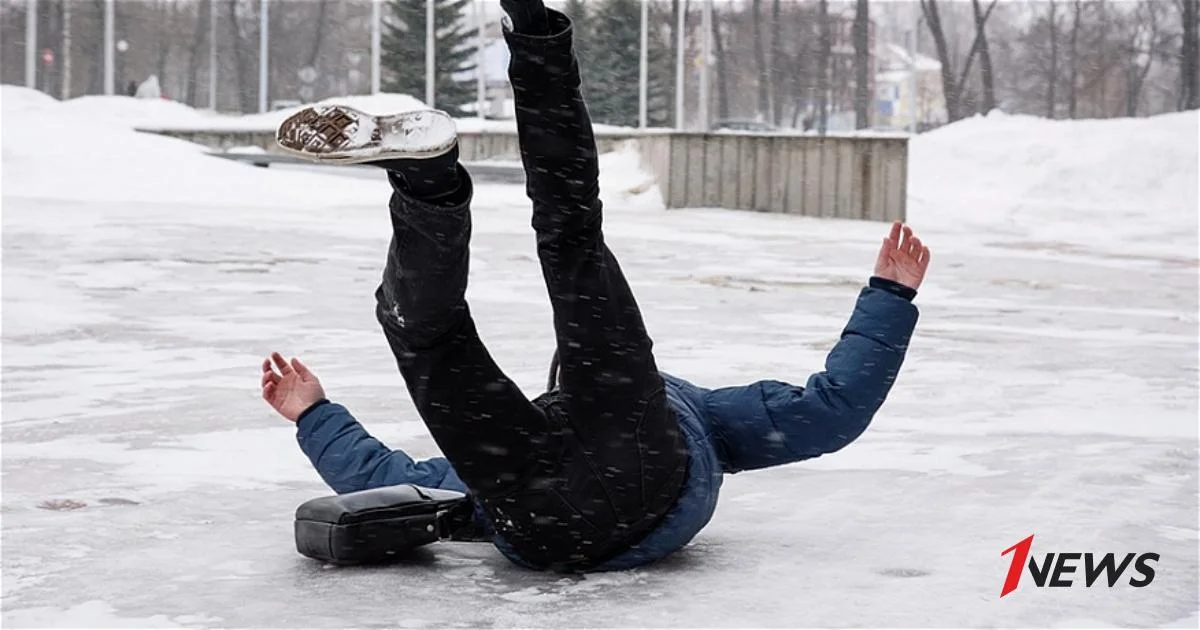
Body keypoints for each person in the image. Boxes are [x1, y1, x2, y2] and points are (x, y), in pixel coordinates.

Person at [261, 0, 929, 573]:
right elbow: (833, 410)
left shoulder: (635, 413)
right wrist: (889, 298)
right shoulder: (702, 416)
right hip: (612, 495)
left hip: (540, 514)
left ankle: (439, 169)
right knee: (508, 283)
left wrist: (315, 415)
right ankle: (446, 154)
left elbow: (384, 479)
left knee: (473, 304)